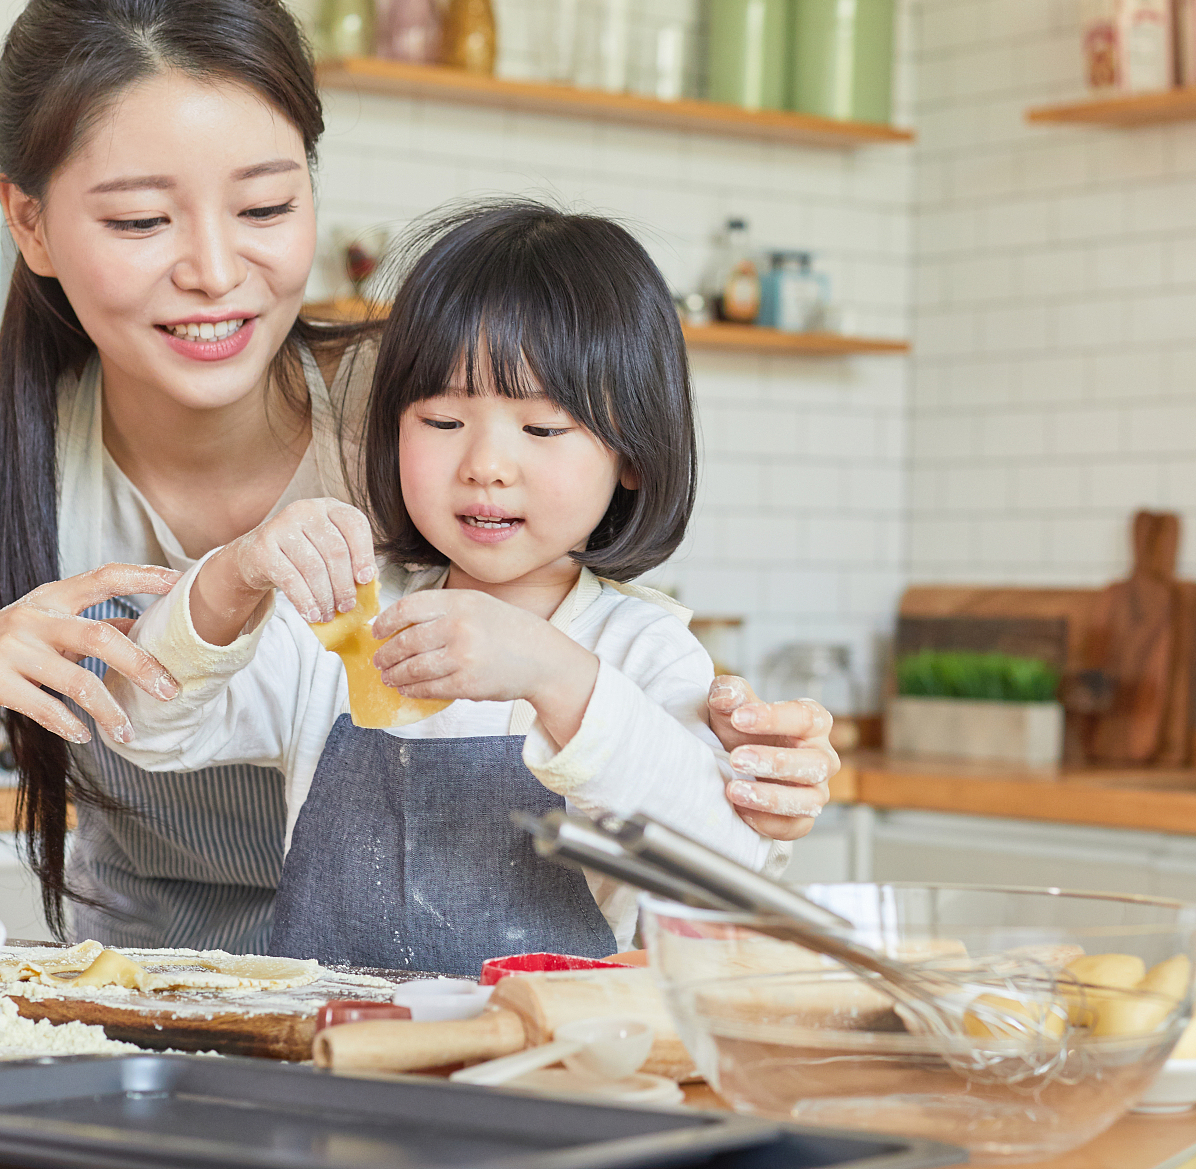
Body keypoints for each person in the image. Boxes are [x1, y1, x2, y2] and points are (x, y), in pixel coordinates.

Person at [0, 0, 837, 950]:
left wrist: (750, 760)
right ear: (27, 222)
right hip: (160, 1004)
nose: (213, 270)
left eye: (265, 207)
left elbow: (685, 797)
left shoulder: (418, 407)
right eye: (141, 219)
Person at [107, 201, 758, 970]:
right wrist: (236, 573)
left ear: (633, 457)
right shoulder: (345, 613)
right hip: (333, 1037)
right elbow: (146, 724)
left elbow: (722, 867)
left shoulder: (644, 650)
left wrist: (556, 674)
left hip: (542, 1041)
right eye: (444, 421)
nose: (485, 465)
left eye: (542, 428)